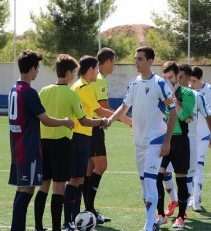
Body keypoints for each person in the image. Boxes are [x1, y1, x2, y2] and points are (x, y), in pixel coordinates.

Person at [107, 46, 177, 231]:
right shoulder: (134, 83)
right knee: (144, 185)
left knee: (149, 180)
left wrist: (167, 141)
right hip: (139, 141)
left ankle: (148, 226)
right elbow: (124, 107)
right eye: (135, 58)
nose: (135, 62)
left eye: (139, 59)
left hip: (156, 140)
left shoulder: (161, 84)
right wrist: (111, 119)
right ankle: (153, 220)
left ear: (150, 61)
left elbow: (173, 112)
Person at [33, 54, 106, 231]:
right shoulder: (72, 94)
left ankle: (38, 226)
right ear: (67, 72)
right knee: (59, 187)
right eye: (73, 71)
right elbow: (84, 121)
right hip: (62, 144)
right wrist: (102, 121)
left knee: (43, 187)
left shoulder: (43, 91)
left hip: (43, 143)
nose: (75, 75)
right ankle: (60, 226)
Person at [8, 50, 74, 231]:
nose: (37, 72)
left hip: (17, 147)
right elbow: (45, 119)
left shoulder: (14, 89)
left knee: (21, 190)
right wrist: (66, 122)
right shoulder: (28, 92)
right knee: (27, 190)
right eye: (37, 68)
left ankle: (17, 227)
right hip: (28, 149)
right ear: (31, 69)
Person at [63, 55, 121, 230]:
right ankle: (69, 221)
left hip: (81, 136)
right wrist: (119, 117)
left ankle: (74, 218)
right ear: (90, 70)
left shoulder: (79, 86)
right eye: (96, 69)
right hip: (80, 137)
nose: (97, 72)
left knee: (78, 180)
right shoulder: (84, 87)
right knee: (75, 181)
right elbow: (99, 110)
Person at [84, 48, 131, 223]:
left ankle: (88, 210)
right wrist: (128, 121)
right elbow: (105, 110)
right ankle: (89, 209)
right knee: (101, 166)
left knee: (89, 169)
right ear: (109, 62)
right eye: (114, 62)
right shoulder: (100, 80)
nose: (114, 66)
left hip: (86, 127)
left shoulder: (93, 79)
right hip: (94, 128)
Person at [155, 61, 194, 229]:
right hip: (164, 139)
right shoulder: (162, 94)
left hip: (180, 141)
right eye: (164, 77)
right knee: (157, 176)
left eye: (170, 77)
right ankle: (160, 215)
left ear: (177, 76)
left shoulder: (187, 94)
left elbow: (184, 116)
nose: (167, 80)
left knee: (181, 180)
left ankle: (180, 217)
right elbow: (158, 113)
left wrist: (173, 99)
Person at [189, 66, 211, 211]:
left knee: (199, 166)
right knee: (188, 168)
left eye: (194, 81)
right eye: (190, 81)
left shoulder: (209, 90)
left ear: (201, 79)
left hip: (203, 134)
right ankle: (189, 196)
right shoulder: (187, 90)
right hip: (189, 135)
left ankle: (197, 199)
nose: (191, 84)